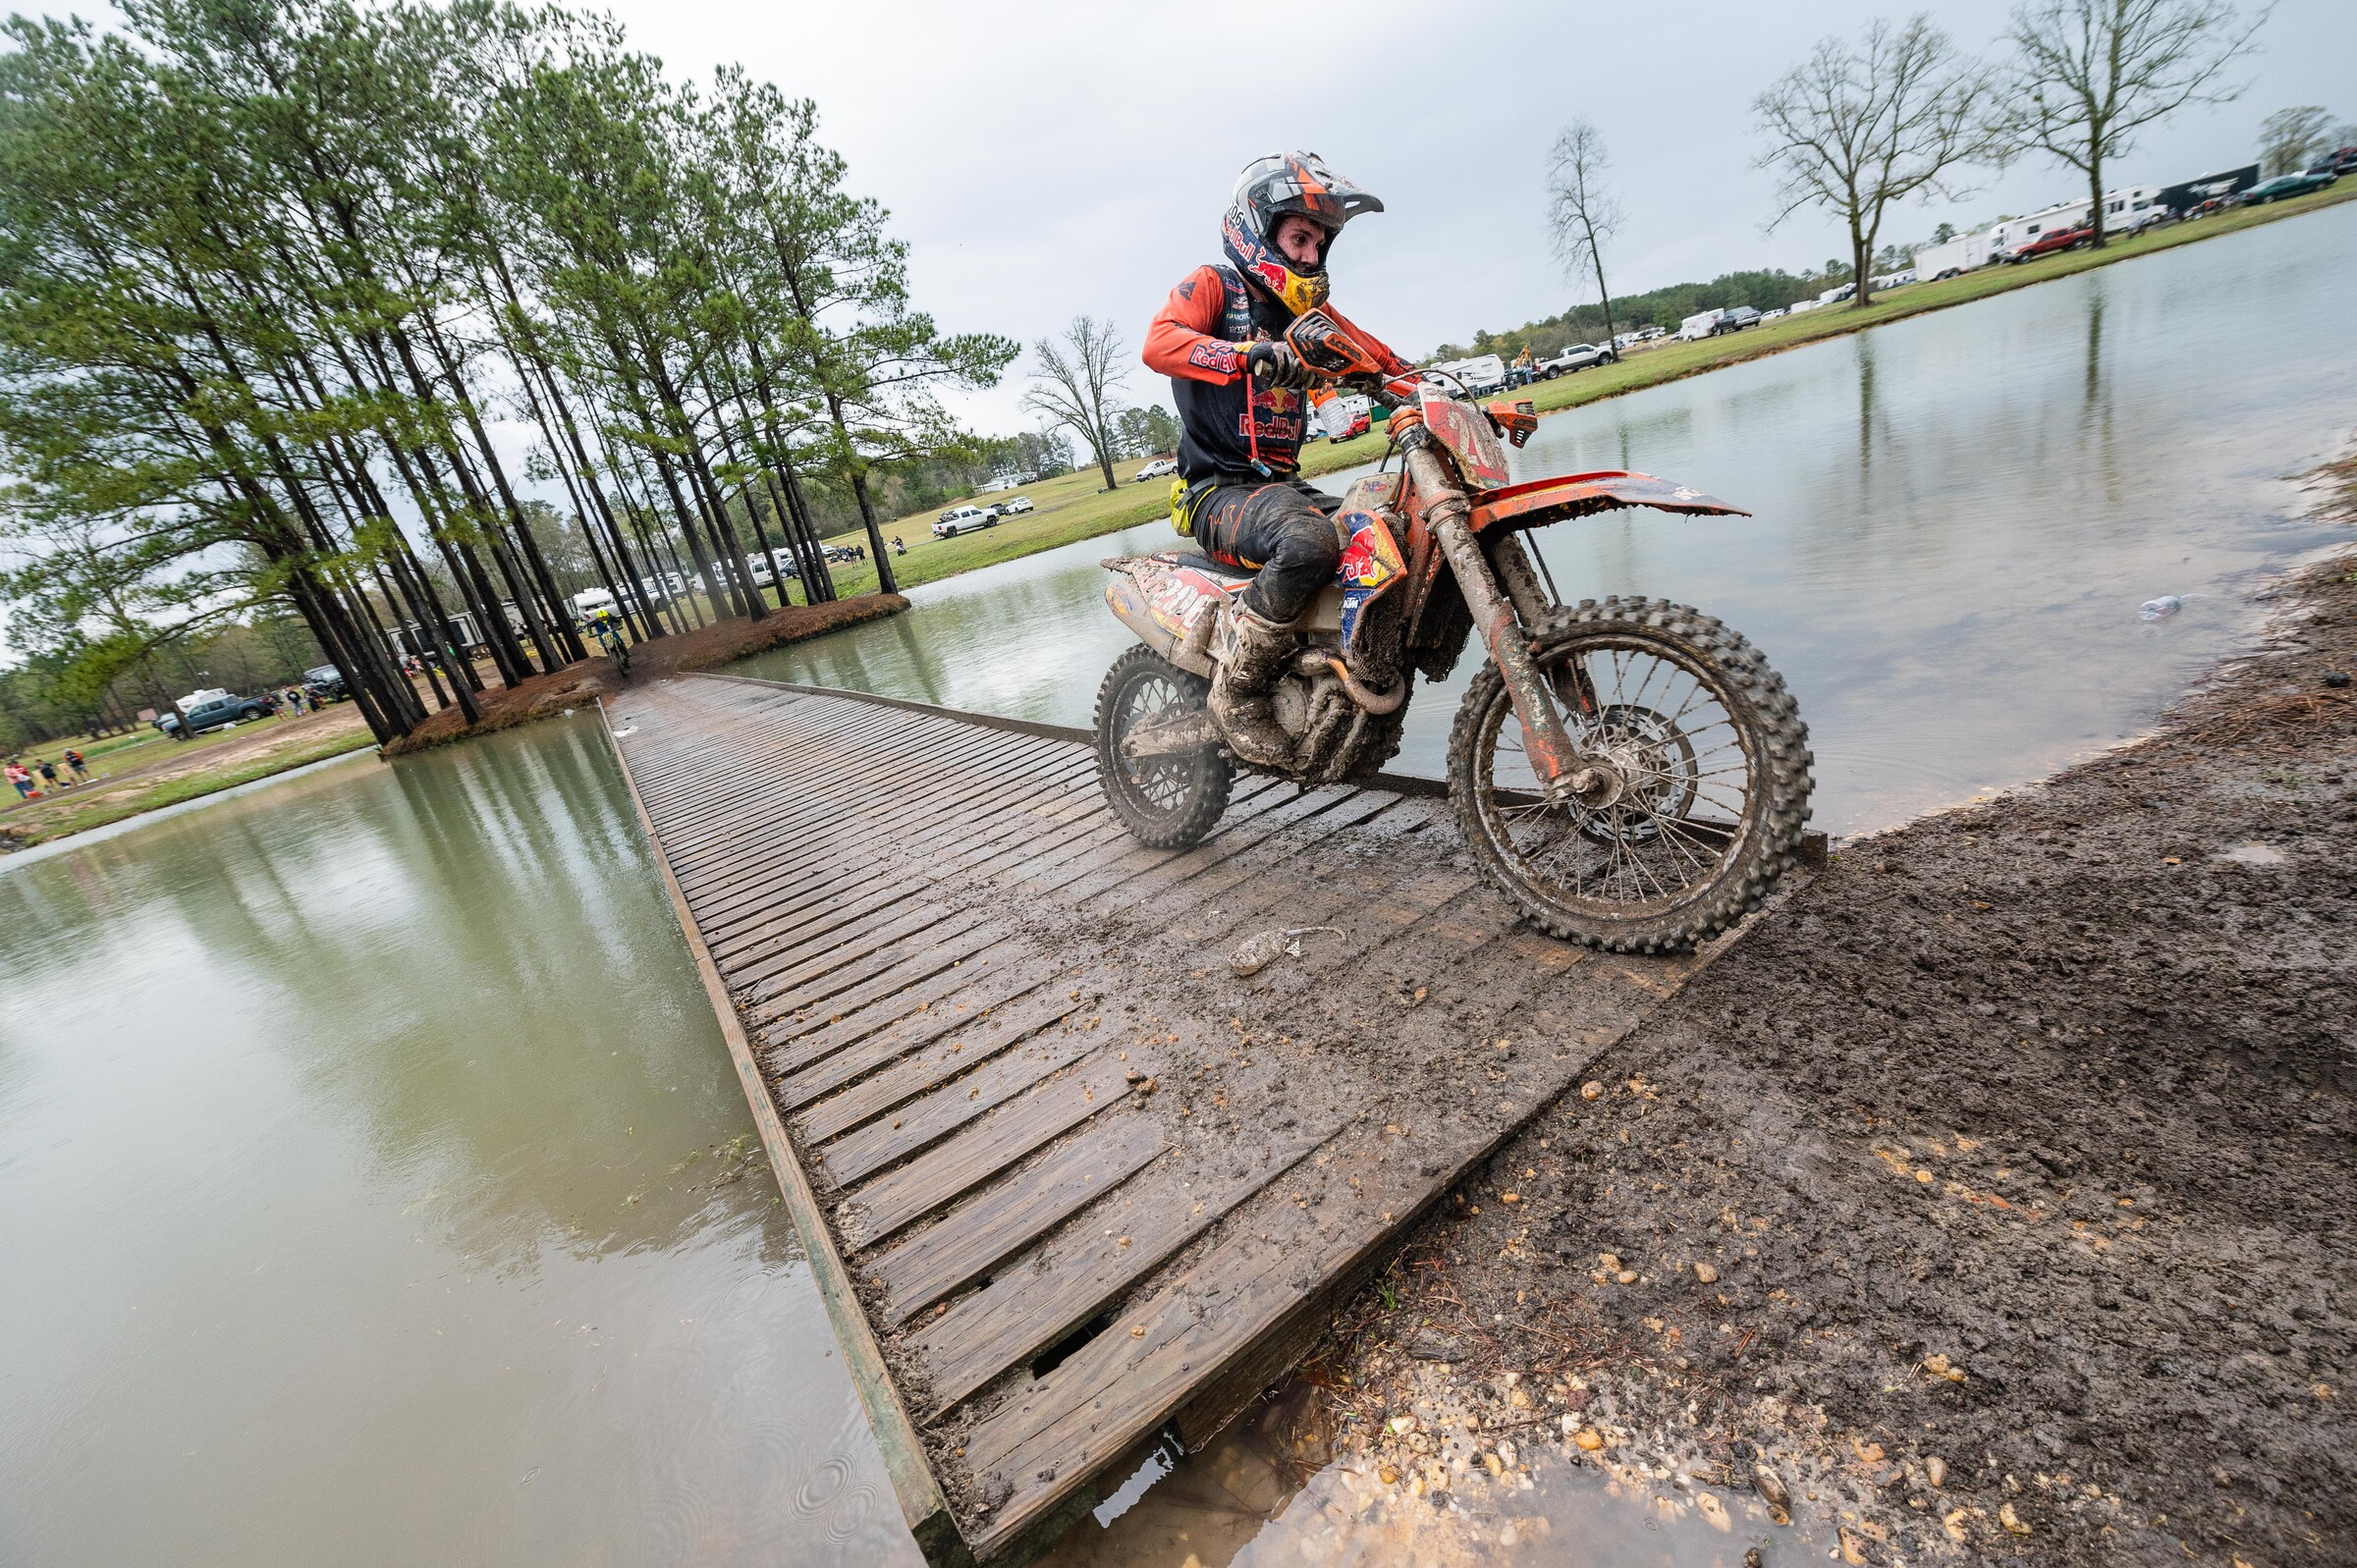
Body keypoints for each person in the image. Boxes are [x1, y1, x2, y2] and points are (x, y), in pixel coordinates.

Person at [1142, 150, 1411, 765]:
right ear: (1260, 231)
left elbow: (1382, 360)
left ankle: (1343, 670)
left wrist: (1443, 393)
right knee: (1312, 544)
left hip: (1279, 490)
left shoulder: (1309, 318)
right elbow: (1160, 343)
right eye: (1299, 238)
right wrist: (1244, 356)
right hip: (1215, 492)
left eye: (1319, 244)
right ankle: (1237, 693)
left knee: (1386, 525)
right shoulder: (1217, 285)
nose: (1311, 256)